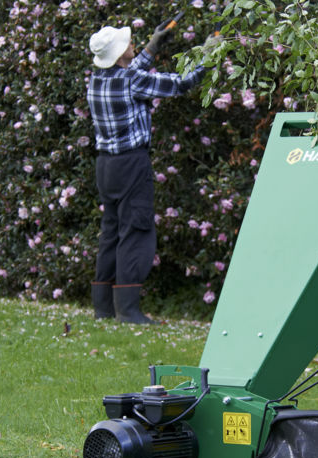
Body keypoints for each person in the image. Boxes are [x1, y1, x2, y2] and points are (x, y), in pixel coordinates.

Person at [86, 22, 206, 324]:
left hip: (106, 167)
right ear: (118, 54)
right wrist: (209, 55)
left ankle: (104, 309)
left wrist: (155, 44)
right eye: (128, 43)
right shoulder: (131, 81)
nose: (133, 44)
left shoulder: (98, 79)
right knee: (135, 231)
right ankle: (128, 311)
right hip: (131, 165)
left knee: (111, 233)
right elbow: (182, 83)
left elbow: (130, 70)